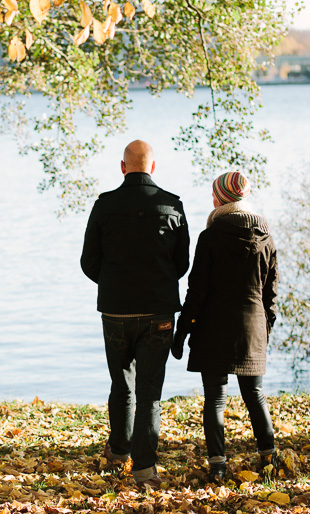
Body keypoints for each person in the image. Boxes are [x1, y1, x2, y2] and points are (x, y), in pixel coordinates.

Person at [80, 140, 190, 489]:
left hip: (115, 310)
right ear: (153, 168)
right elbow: (182, 263)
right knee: (150, 392)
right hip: (158, 310)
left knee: (121, 385)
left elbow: (88, 262)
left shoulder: (105, 205)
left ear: (123, 166)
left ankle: (119, 450)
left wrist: (114, 284)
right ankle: (144, 469)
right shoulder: (172, 205)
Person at [171, 171, 280, 484]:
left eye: (213, 195)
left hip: (213, 328)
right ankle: (268, 458)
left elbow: (197, 291)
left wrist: (183, 332)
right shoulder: (266, 237)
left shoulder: (211, 236)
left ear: (219, 198)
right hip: (252, 326)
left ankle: (218, 465)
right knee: (255, 395)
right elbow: (270, 294)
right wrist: (265, 329)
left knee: (215, 399)